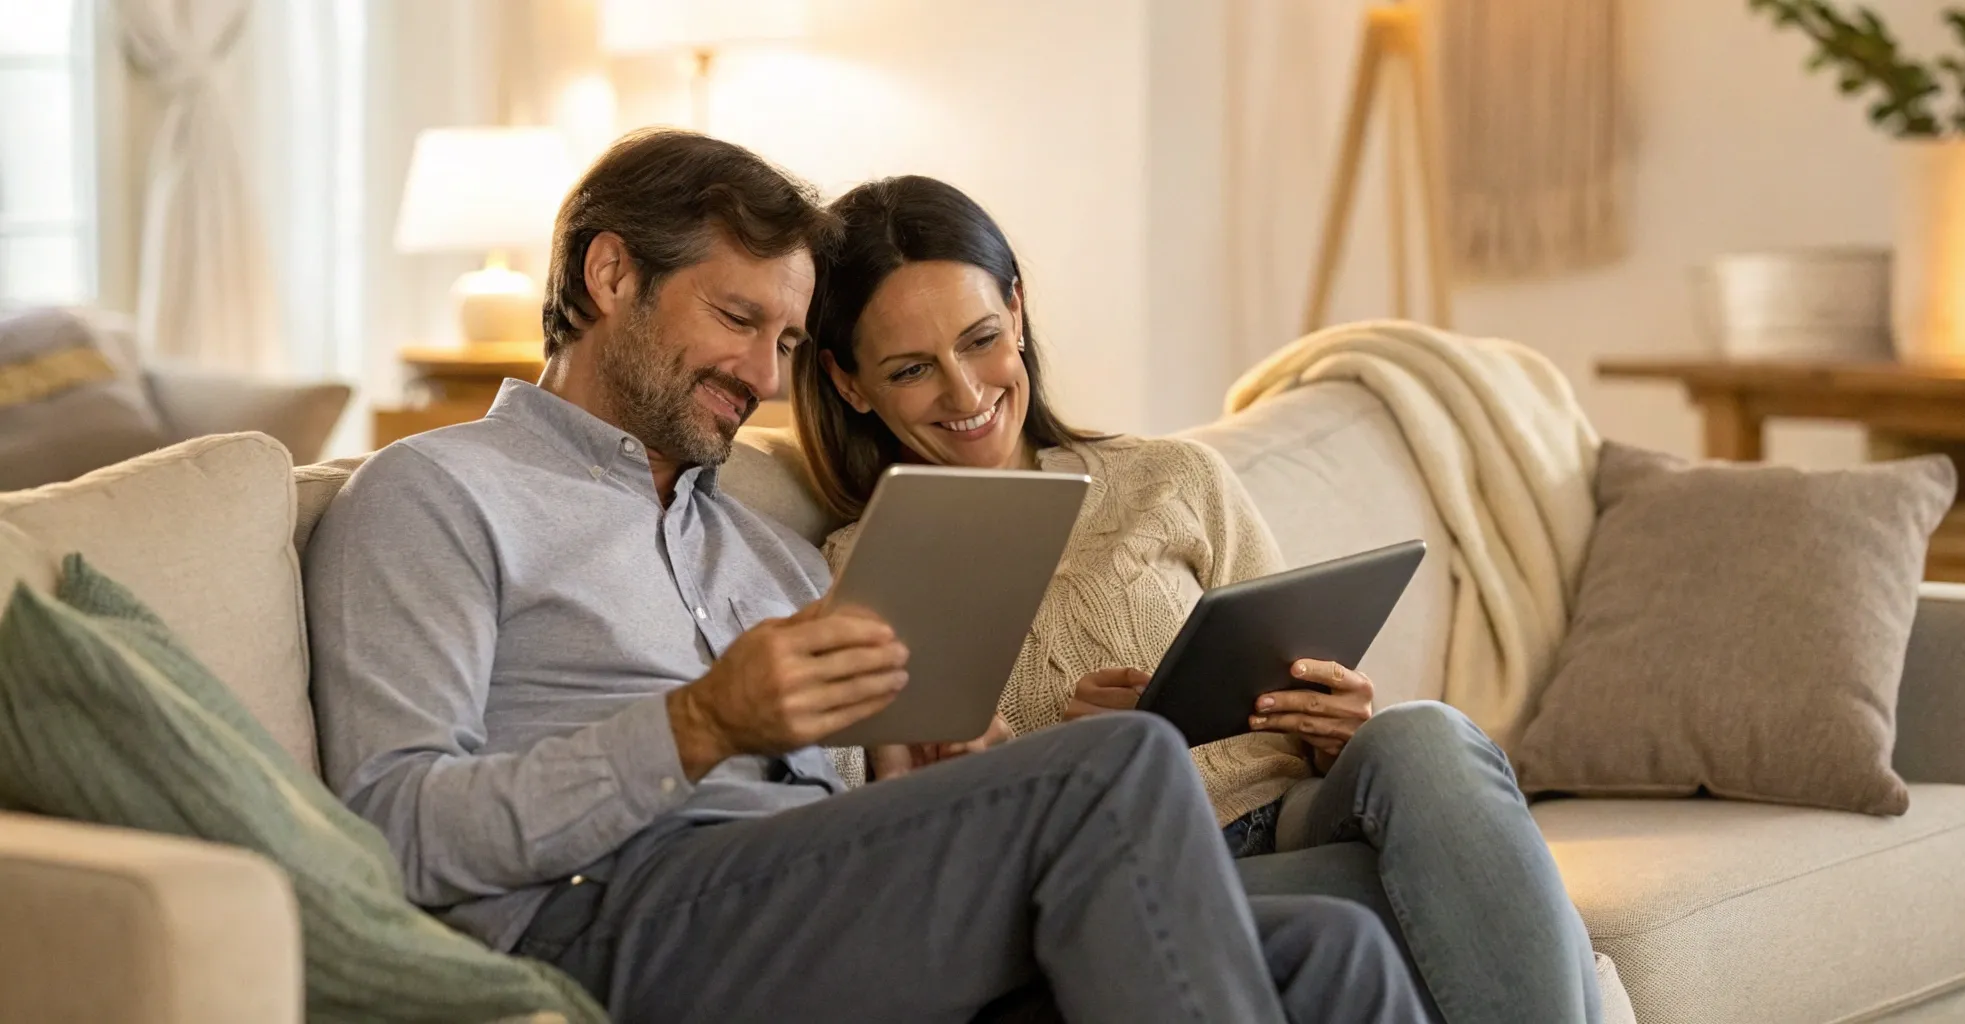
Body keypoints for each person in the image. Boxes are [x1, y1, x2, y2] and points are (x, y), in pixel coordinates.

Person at [304, 128, 1430, 1024]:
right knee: (1112, 762)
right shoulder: (435, 495)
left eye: (786, 342)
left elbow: (850, 820)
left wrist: (916, 776)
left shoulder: (766, 548)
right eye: (737, 319)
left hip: (808, 908)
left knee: (1331, 955)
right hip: (606, 920)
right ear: (610, 275)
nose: (760, 375)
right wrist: (696, 725)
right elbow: (391, 830)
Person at [791, 174, 1603, 1024]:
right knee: (1449, 893)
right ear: (850, 383)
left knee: (1425, 733)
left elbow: (1293, 670)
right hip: (1144, 871)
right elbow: (914, 838)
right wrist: (1077, 760)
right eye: (913, 369)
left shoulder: (1172, 478)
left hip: (1295, 817)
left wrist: (1334, 723)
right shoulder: (864, 572)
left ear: (1019, 314)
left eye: (981, 339)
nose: (964, 394)